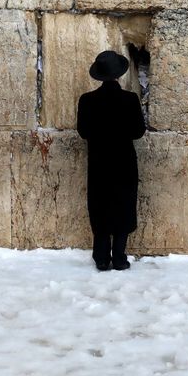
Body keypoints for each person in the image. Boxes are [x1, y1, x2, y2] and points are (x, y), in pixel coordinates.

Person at [76, 50, 146, 272]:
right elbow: (138, 132)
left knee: (100, 207)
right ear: (119, 74)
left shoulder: (87, 100)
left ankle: (101, 258)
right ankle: (119, 257)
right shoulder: (130, 99)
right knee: (123, 206)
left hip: (99, 163)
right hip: (124, 162)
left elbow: (83, 131)